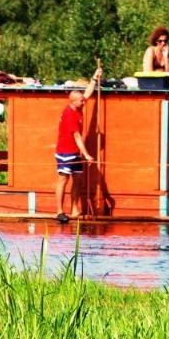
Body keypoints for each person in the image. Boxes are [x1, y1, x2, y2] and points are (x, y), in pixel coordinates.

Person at [53, 66, 103, 223]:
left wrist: (94, 78)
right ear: (73, 101)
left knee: (77, 179)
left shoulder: (79, 106)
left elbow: (88, 93)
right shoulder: (70, 114)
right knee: (63, 179)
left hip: (75, 152)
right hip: (65, 152)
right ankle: (60, 211)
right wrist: (87, 154)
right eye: (81, 101)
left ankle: (74, 209)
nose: (84, 102)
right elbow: (77, 136)